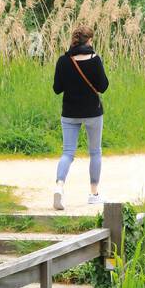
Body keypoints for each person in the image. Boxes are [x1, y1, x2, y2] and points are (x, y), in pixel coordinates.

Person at [52, 24, 108, 209]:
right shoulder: (95, 59)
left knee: (68, 152)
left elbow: (57, 89)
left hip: (69, 113)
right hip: (92, 112)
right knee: (95, 152)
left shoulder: (63, 60)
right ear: (89, 40)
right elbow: (103, 87)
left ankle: (59, 186)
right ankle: (94, 193)